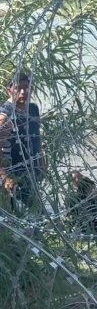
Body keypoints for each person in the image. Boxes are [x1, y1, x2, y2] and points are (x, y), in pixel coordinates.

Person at [0, 72, 43, 210]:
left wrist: (41, 163)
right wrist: (5, 176)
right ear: (10, 90)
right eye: (19, 88)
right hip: (14, 175)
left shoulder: (33, 109)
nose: (23, 92)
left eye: (27, 87)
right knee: (22, 215)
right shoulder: (6, 115)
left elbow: (36, 137)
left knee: (35, 213)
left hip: (32, 170)